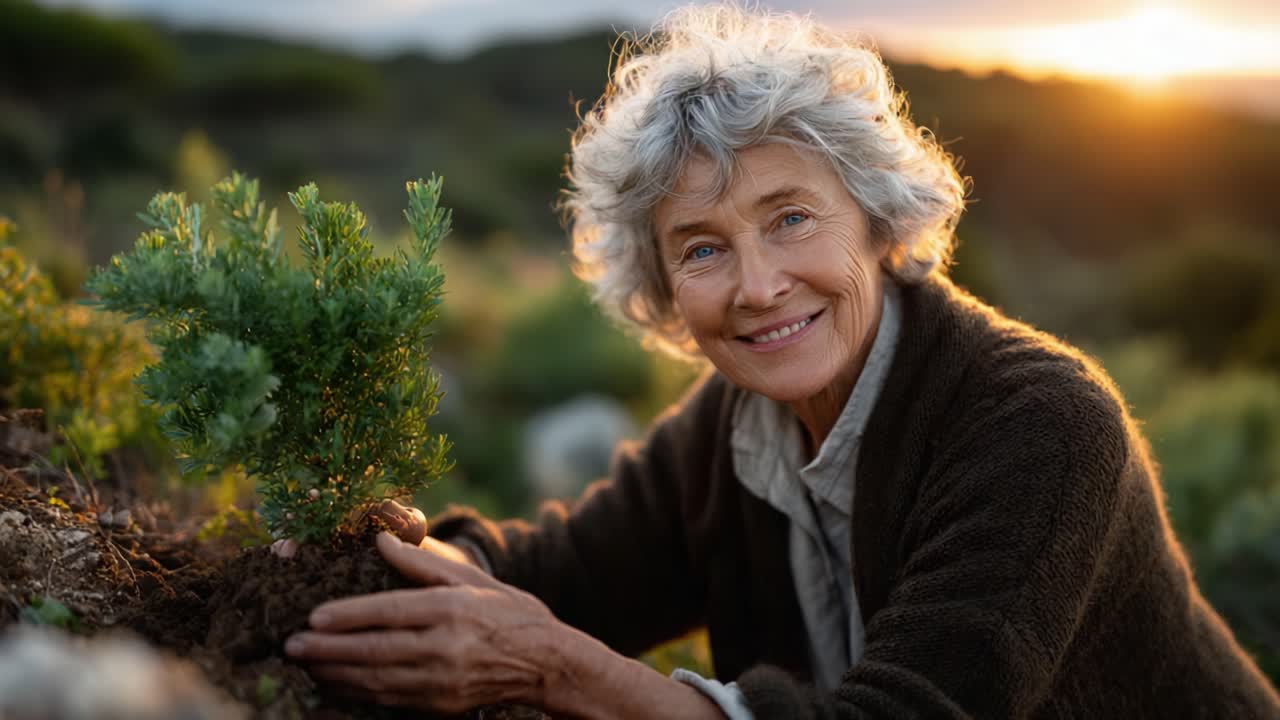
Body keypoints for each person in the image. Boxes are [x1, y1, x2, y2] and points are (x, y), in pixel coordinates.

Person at [282, 4, 1280, 718]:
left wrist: (553, 672)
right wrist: (379, 562)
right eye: (702, 247)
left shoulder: (1039, 426)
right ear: (663, 284)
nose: (756, 285)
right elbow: (557, 577)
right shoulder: (728, 426)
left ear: (878, 221)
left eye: (790, 217)